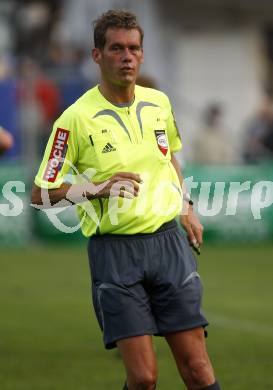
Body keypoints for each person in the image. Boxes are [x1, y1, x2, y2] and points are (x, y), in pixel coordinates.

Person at [31, 10, 221, 390]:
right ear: (97, 55)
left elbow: (170, 159)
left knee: (198, 370)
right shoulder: (74, 120)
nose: (127, 56)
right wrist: (96, 188)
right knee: (143, 378)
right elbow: (40, 195)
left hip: (169, 246)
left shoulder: (159, 104)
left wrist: (186, 207)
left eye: (134, 48)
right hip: (116, 254)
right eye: (116, 48)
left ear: (143, 54)